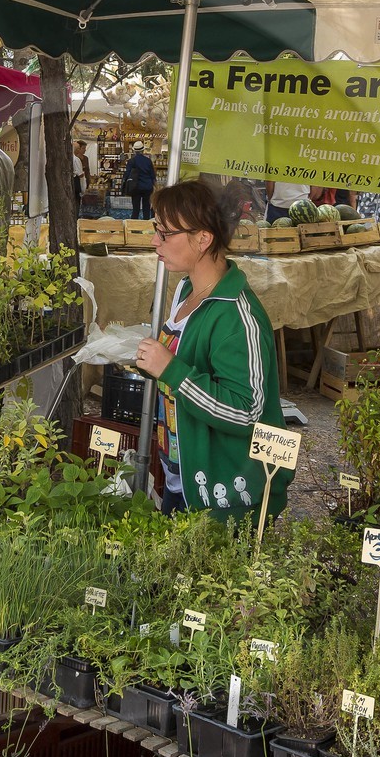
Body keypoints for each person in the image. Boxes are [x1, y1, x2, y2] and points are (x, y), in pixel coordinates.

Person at [134, 181, 289, 518]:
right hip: (184, 478)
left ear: (203, 239)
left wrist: (171, 370)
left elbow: (247, 411)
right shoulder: (185, 290)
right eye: (155, 229)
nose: (154, 241)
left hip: (227, 497)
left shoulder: (237, 317)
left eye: (164, 233)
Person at [124, 141, 156, 220]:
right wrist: (154, 184)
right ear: (143, 150)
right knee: (146, 209)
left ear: (134, 151)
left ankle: (133, 228)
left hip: (135, 187)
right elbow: (152, 175)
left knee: (135, 209)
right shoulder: (148, 161)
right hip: (147, 187)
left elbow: (127, 174)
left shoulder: (131, 161)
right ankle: (146, 227)